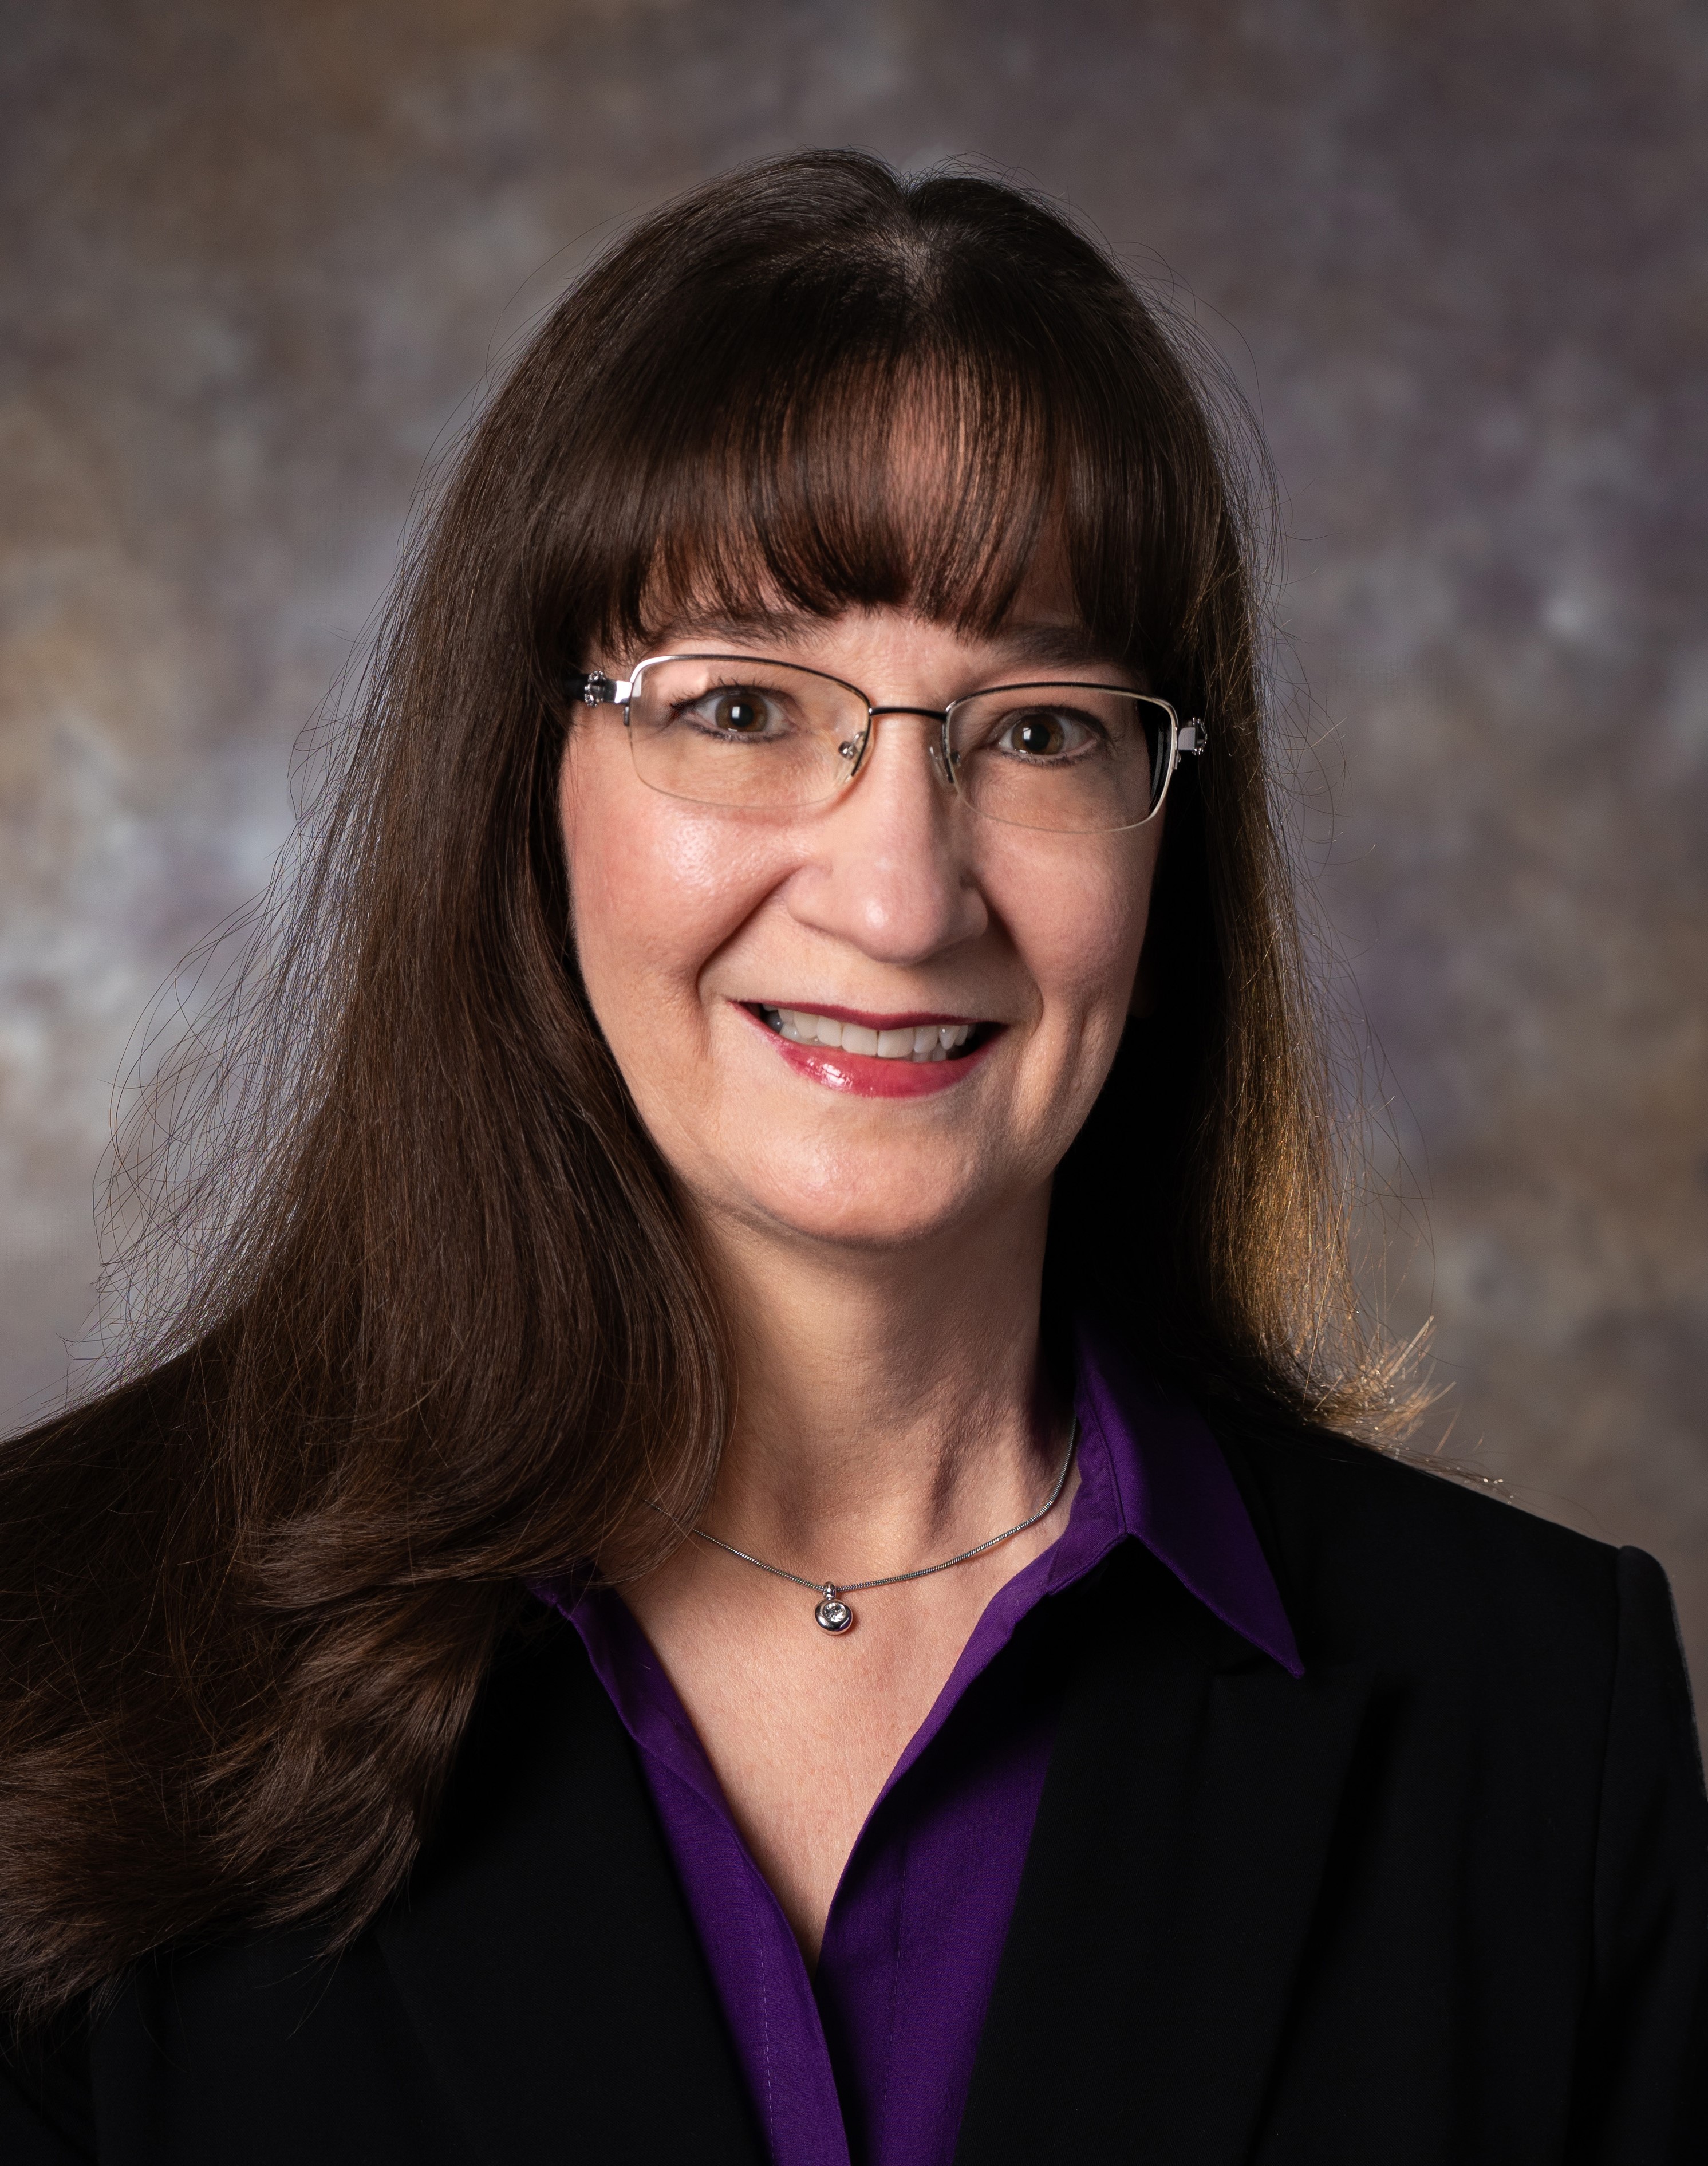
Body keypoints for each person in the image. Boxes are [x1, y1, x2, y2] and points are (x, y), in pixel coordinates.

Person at [1, 149, 1704, 2166]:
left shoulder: (1533, 1717)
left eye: (1042, 728)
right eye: (738, 704)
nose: (900, 895)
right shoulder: (55, 1646)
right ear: (522, 807)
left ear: (1173, 855)